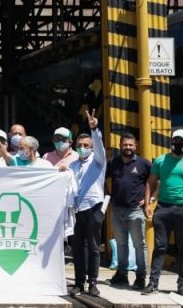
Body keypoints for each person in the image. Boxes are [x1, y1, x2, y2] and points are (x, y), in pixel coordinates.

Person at [144, 129, 183, 296]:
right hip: (163, 208)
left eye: (181, 141)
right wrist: (148, 203)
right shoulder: (161, 161)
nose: (178, 144)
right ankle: (153, 282)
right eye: (175, 141)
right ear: (171, 142)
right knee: (160, 247)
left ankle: (182, 283)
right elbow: (151, 182)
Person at [64, 110, 106, 297]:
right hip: (78, 210)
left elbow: (98, 144)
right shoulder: (73, 165)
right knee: (78, 248)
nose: (83, 148)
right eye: (80, 145)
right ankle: (79, 282)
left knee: (94, 246)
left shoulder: (98, 161)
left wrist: (94, 129)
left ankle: (93, 283)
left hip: (94, 207)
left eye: (86, 145)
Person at [106, 133, 151, 290]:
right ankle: (122, 275)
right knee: (121, 244)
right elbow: (104, 179)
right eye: (125, 145)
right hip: (117, 210)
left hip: (135, 210)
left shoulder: (143, 163)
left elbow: (153, 182)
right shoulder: (112, 163)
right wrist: (108, 194)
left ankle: (141, 277)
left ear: (135, 146)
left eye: (130, 145)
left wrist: (149, 199)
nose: (128, 147)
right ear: (120, 145)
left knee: (140, 245)